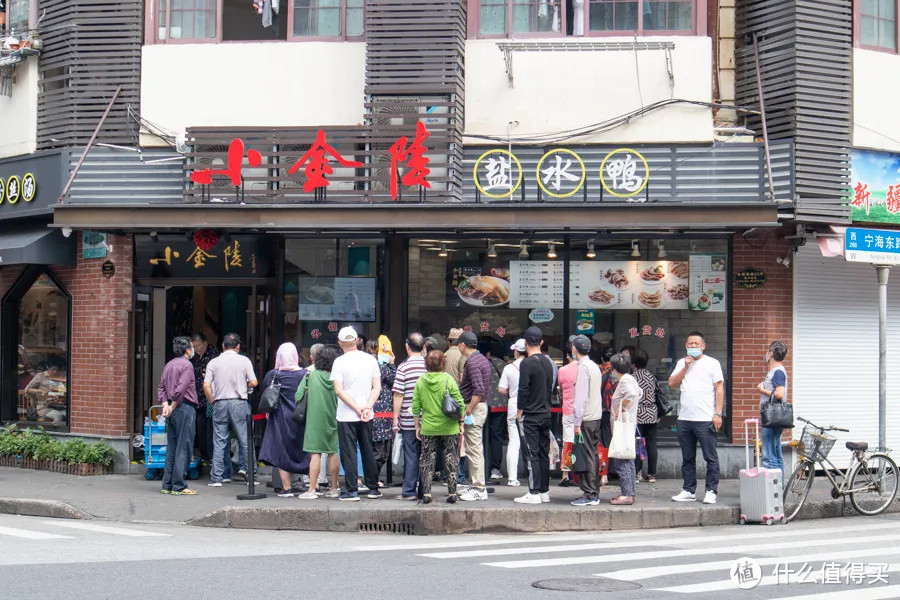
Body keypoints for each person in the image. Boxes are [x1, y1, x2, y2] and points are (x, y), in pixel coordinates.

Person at [669, 331, 724, 505]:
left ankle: (711, 490)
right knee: (687, 457)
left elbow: (719, 389)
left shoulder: (712, 363)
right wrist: (685, 367)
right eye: (690, 343)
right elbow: (672, 383)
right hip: (685, 418)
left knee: (710, 457)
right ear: (686, 346)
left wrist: (718, 413)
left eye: (696, 343)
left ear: (703, 346)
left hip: (705, 418)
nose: (693, 346)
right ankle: (688, 489)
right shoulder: (681, 363)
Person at [331, 326, 383, 501]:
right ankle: (373, 487)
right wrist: (366, 407)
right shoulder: (370, 360)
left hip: (346, 415)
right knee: (368, 449)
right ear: (356, 340)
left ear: (340, 343)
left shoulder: (339, 362)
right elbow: (377, 387)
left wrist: (355, 408)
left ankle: (352, 489)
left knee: (348, 451)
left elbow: (338, 390)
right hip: (367, 414)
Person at [203, 333, 258, 487]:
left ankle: (217, 478)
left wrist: (212, 400)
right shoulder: (244, 360)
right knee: (245, 439)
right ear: (238, 346)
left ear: (223, 346)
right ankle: (250, 476)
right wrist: (244, 385)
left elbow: (206, 385)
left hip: (220, 402)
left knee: (219, 441)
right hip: (239, 402)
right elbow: (254, 382)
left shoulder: (214, 362)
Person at [412, 350, 466, 504]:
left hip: (428, 427)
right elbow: (460, 403)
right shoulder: (448, 379)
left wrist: (417, 426)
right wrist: (461, 423)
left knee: (427, 459)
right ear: (443, 363)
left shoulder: (421, 381)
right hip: (449, 427)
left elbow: (415, 406)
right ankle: (452, 493)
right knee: (451, 457)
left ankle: (427, 493)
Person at [259, 343, 311, 498]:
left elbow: (265, 392)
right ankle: (310, 483)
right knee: (303, 449)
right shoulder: (304, 374)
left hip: (279, 418)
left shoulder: (273, 374)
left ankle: (287, 488)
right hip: (300, 417)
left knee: (281, 450)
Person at [514, 326, 554, 504]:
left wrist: (519, 411)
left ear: (525, 343)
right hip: (546, 413)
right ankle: (544, 490)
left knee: (531, 453)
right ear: (541, 342)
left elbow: (523, 389)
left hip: (530, 414)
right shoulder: (549, 362)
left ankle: (534, 491)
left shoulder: (526, 363)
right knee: (544, 453)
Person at [299, 345, 342, 499]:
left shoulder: (310, 376)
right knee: (333, 452)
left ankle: (312, 489)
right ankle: (334, 488)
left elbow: (298, 396)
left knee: (315, 453)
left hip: (314, 420)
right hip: (334, 418)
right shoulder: (338, 378)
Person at [158, 336, 198, 495]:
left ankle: (166, 485)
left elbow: (161, 387)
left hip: (171, 410)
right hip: (184, 408)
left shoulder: (169, 364)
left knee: (172, 447)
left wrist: (165, 405)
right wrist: (173, 404)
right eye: (191, 347)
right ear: (188, 350)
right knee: (184, 446)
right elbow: (181, 389)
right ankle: (179, 485)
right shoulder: (187, 365)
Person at [456, 331, 492, 502]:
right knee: (472, 448)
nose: (458, 347)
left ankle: (479, 488)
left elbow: (478, 390)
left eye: (458, 344)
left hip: (474, 408)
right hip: (478, 406)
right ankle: (476, 484)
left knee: (474, 448)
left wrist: (468, 409)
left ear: (463, 345)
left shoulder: (472, 362)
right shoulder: (481, 359)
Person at [392, 333, 427, 500]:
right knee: (426, 455)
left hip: (408, 419)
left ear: (407, 347)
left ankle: (409, 491)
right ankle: (424, 490)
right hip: (428, 419)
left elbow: (398, 394)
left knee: (411, 455)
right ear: (424, 347)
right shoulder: (429, 365)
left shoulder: (403, 367)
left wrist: (395, 417)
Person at [570, 335, 603, 506]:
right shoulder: (594, 366)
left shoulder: (583, 368)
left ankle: (590, 493)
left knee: (588, 454)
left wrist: (576, 423)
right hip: (595, 415)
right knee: (593, 453)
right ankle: (594, 491)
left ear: (575, 349)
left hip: (586, 417)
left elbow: (580, 398)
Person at [608, 352, 642, 505]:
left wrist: (621, 408)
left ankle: (626, 494)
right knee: (627, 459)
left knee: (621, 460)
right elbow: (639, 392)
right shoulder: (630, 378)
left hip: (623, 425)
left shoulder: (625, 381)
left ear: (615, 368)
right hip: (628, 424)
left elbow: (633, 394)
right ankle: (629, 492)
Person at [367, 339, 396, 485]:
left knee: (378, 450)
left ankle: (371, 478)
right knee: (381, 451)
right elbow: (393, 380)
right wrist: (391, 364)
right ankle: (372, 479)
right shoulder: (379, 366)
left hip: (378, 413)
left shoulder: (369, 364)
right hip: (381, 413)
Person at [758, 341, 789, 477]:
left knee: (769, 456)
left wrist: (762, 390)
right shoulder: (777, 372)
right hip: (776, 418)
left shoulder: (777, 372)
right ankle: (778, 491)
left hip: (771, 418)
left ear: (770, 354)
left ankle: (772, 493)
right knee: (776, 454)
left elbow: (779, 394)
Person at [190, 333, 220, 467]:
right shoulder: (196, 358)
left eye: (199, 346)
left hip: (210, 400)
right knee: (201, 428)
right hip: (199, 400)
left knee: (210, 429)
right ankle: (205, 455)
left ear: (205, 343)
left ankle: (211, 457)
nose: (197, 349)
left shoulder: (213, 356)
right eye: (194, 347)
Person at [498, 339, 525, 487]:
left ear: (516, 351)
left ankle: (512, 478)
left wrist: (511, 391)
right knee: (530, 441)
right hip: (531, 404)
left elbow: (501, 389)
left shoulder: (509, 368)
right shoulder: (532, 365)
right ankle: (533, 475)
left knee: (514, 442)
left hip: (514, 403)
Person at [482, 339, 508, 482]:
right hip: (501, 404)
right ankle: (495, 469)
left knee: (483, 435)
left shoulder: (483, 363)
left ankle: (483, 467)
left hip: (485, 403)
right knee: (496, 435)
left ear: (488, 353)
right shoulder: (504, 365)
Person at [632, 348, 659, 483]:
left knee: (637, 444)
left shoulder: (633, 377)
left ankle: (637, 472)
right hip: (652, 414)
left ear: (633, 363)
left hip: (637, 414)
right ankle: (651, 474)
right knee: (651, 444)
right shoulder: (651, 376)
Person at [557, 337, 578, 487]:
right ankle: (583, 471)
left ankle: (566, 473)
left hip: (569, 410)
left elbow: (560, 388)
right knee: (585, 443)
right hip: (586, 412)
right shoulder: (588, 368)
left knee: (568, 442)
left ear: (567, 355)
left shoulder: (563, 370)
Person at [23, 355, 68, 426]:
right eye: (61, 370)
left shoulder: (61, 378)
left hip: (61, 406)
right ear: (54, 369)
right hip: (45, 407)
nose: (62, 372)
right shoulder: (40, 376)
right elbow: (28, 389)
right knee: (58, 416)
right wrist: (40, 391)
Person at [597, 345, 616, 487]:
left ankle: (605, 473)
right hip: (617, 412)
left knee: (604, 442)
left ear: (602, 359)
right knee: (615, 441)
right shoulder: (619, 373)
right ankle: (616, 470)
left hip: (603, 411)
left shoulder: (599, 373)